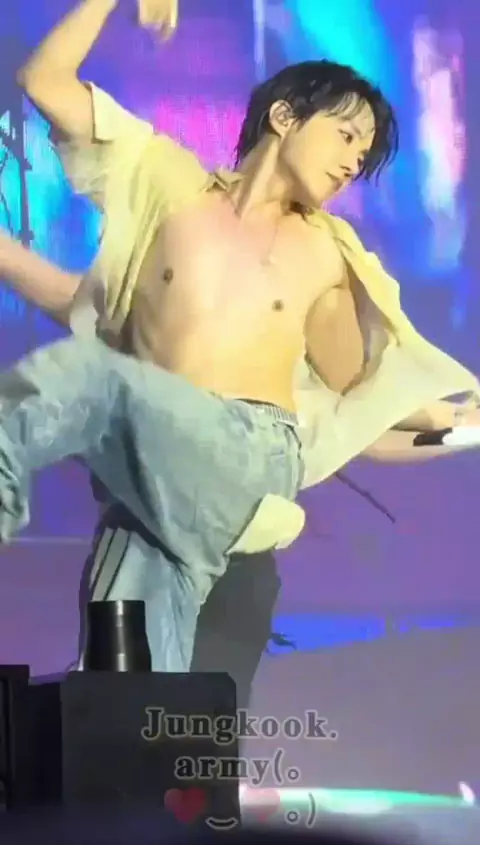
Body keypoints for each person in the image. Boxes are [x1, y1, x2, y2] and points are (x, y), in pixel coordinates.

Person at [3, 0, 480, 675]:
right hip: (154, 482)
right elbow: (45, 81)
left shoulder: (325, 254)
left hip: (248, 457)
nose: (354, 162)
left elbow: (365, 402)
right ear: (284, 116)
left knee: (88, 381)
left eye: (365, 154)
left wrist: (459, 424)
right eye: (347, 136)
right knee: (124, 699)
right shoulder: (168, 186)